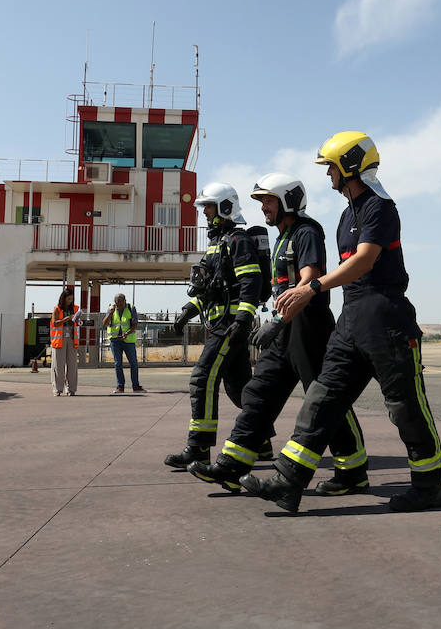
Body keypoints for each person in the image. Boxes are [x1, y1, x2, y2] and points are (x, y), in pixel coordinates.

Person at [241, 132, 441, 513]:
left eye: (331, 167)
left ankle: (430, 483)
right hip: (351, 318)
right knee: (322, 397)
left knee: (405, 406)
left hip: (385, 317)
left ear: (350, 165)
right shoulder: (345, 215)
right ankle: (289, 481)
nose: (328, 175)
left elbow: (365, 261)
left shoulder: (379, 207)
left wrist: (312, 287)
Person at [188, 173, 369, 494]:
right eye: (261, 202)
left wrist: (278, 322)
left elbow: (309, 279)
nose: (263, 209)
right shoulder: (283, 236)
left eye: (269, 201)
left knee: (324, 398)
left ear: (288, 201)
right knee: (259, 392)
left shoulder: (306, 231)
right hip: (287, 325)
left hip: (309, 326)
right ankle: (232, 464)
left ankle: (353, 470)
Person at [163, 183, 267, 469]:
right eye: (204, 207)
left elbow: (252, 283)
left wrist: (244, 317)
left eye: (209, 206)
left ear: (225, 207)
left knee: (202, 378)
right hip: (220, 322)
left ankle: (198, 448)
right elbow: (211, 290)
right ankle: (262, 441)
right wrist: (188, 311)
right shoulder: (216, 243)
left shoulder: (238, 239)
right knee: (239, 389)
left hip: (230, 325)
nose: (205, 212)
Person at [101, 292, 145, 393]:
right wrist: (110, 313)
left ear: (125, 301)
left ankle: (136, 386)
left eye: (120, 303)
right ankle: (120, 386)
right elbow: (104, 324)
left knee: (133, 363)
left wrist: (127, 333)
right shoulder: (111, 309)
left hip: (128, 340)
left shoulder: (131, 308)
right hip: (115, 340)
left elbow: (134, 325)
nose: (119, 306)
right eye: (117, 304)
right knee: (118, 363)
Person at [50, 287, 81, 397]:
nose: (70, 301)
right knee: (59, 365)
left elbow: (78, 322)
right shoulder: (57, 309)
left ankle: (71, 389)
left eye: (72, 299)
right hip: (59, 340)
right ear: (63, 298)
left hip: (72, 339)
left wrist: (78, 320)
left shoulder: (76, 308)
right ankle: (58, 389)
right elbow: (55, 323)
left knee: (72, 366)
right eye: (68, 299)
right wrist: (67, 319)